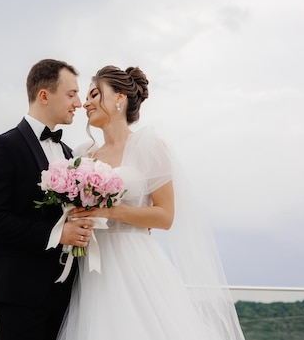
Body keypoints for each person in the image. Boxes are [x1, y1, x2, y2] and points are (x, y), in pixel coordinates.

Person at [57, 65, 245, 340]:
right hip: (91, 269)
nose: (86, 103)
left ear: (120, 98)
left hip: (134, 263)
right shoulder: (82, 154)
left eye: (95, 94)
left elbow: (165, 216)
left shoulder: (149, 146)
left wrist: (111, 210)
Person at [0, 59, 96, 340]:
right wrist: (58, 234)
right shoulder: (3, 146)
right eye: (71, 94)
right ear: (44, 95)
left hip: (64, 291)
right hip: (18, 289)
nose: (78, 103)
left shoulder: (69, 154)